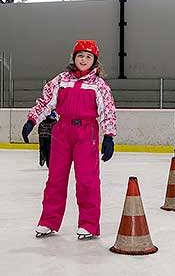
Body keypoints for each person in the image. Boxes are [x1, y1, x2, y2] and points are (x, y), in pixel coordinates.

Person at [22, 40, 116, 239]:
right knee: (55, 178)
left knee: (87, 180)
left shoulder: (99, 85)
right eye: (80, 55)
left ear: (95, 62)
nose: (84, 60)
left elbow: (108, 110)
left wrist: (109, 135)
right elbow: (46, 102)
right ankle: (48, 221)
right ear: (74, 58)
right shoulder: (61, 79)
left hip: (86, 132)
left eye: (88, 57)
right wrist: (31, 120)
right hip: (62, 131)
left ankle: (89, 224)